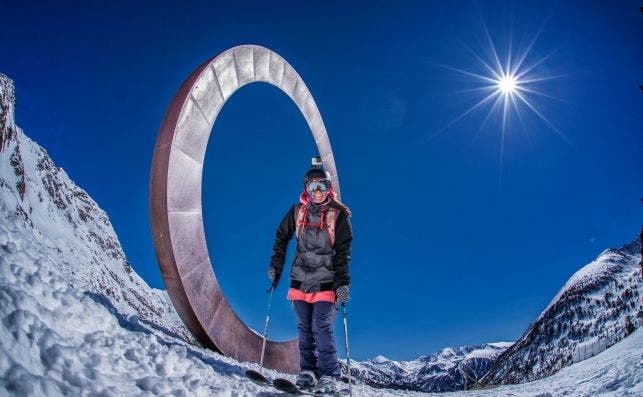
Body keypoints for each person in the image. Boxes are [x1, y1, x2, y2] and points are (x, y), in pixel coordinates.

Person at [267, 157, 353, 394]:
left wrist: (343, 282)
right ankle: (308, 372)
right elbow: (281, 237)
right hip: (300, 280)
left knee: (321, 327)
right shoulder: (297, 212)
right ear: (305, 188)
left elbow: (343, 251)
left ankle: (329, 375)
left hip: (326, 282)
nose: (317, 192)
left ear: (329, 189)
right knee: (304, 328)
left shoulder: (338, 215)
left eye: (322, 187)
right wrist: (276, 266)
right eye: (312, 187)